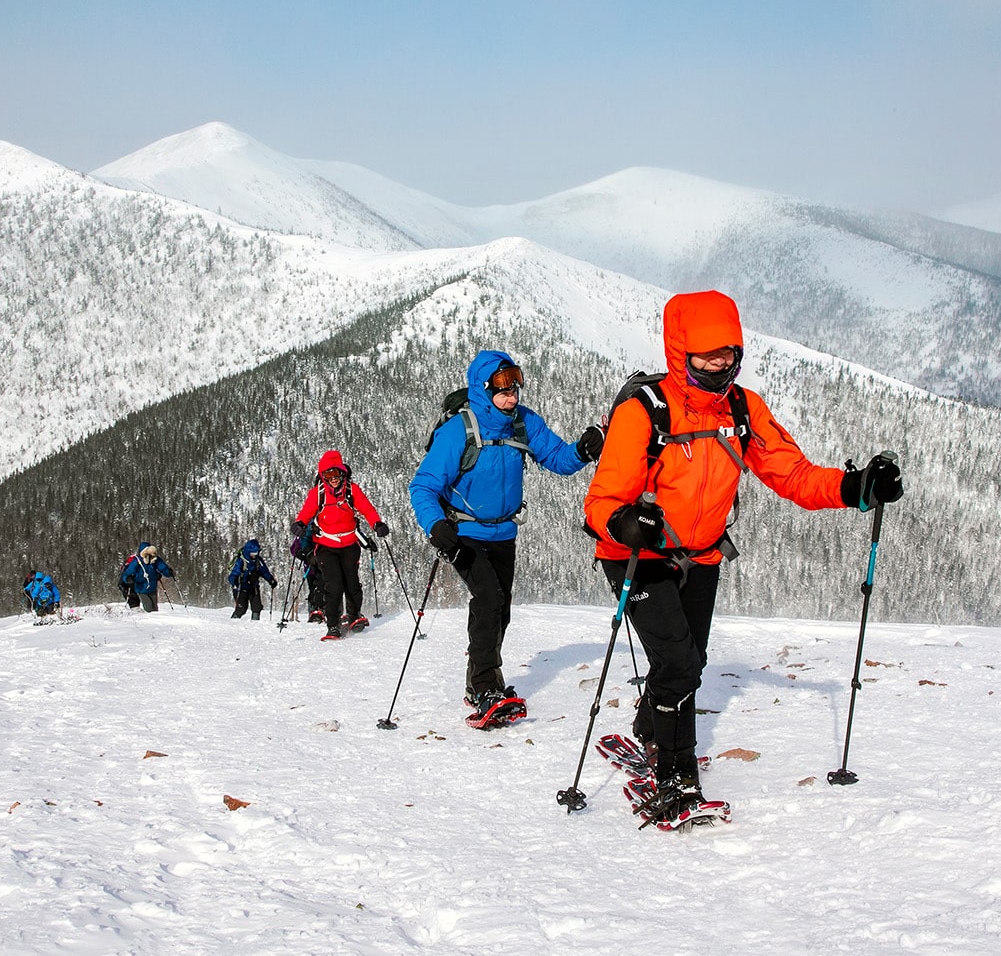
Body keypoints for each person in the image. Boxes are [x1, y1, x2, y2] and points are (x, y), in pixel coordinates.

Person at [581, 290, 904, 820]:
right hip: (636, 555)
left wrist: (857, 487)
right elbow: (601, 501)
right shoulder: (645, 411)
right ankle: (676, 780)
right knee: (679, 663)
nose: (720, 365)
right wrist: (623, 521)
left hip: (704, 555)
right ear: (681, 351)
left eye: (728, 355)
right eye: (707, 356)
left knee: (690, 661)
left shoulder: (742, 410)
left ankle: (650, 729)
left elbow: (793, 475)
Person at [409, 351, 604, 727]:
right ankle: (485, 686)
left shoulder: (522, 423)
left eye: (514, 387)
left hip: (504, 531)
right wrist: (436, 525)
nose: (511, 396)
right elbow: (424, 485)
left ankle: (480, 680)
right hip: (463, 532)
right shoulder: (459, 430)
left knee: (502, 608)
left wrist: (582, 450)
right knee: (488, 598)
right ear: (483, 391)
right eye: (502, 390)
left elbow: (558, 459)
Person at [291, 451, 388, 641]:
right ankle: (333, 625)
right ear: (322, 476)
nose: (333, 479)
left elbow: (366, 508)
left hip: (350, 544)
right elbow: (307, 511)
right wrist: (300, 523)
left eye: (336, 474)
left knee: (352, 583)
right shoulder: (318, 493)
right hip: (326, 546)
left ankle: (354, 616)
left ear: (343, 473)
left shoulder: (352, 490)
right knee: (333, 585)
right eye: (328, 475)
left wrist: (377, 523)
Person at [118, 542, 176, 613]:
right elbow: (127, 573)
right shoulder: (137, 561)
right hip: (141, 588)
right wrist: (128, 578)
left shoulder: (155, 560)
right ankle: (148, 621)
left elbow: (163, 568)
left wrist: (169, 572)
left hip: (152, 587)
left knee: (154, 608)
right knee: (149, 608)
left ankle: (153, 621)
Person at [228, 538, 277, 620]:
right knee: (241, 608)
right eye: (253, 553)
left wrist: (271, 580)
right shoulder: (241, 560)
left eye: (257, 552)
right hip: (241, 588)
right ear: (248, 552)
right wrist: (235, 580)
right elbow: (233, 574)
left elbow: (264, 572)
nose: (255, 555)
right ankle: (234, 623)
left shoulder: (258, 561)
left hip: (253, 587)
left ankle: (255, 624)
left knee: (257, 607)